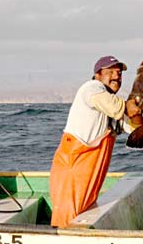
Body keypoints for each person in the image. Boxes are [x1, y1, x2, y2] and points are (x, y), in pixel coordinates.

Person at [50, 55, 128, 227]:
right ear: (98, 75)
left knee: (83, 209)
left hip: (91, 174)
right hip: (73, 168)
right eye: (111, 72)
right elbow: (116, 107)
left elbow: (134, 127)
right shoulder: (92, 88)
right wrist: (133, 106)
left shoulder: (109, 104)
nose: (117, 76)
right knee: (67, 216)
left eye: (119, 73)